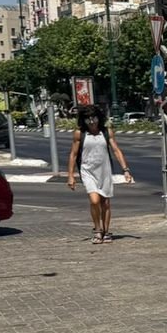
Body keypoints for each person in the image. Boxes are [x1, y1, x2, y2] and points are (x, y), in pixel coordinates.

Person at [66, 104, 133, 244]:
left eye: (94, 118)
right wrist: (71, 175)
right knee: (94, 200)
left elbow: (116, 150)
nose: (91, 122)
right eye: (88, 119)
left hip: (104, 171)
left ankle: (106, 231)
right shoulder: (79, 134)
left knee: (105, 203)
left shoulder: (106, 132)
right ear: (83, 120)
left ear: (99, 118)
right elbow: (73, 154)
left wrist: (125, 170)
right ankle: (97, 229)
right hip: (87, 170)